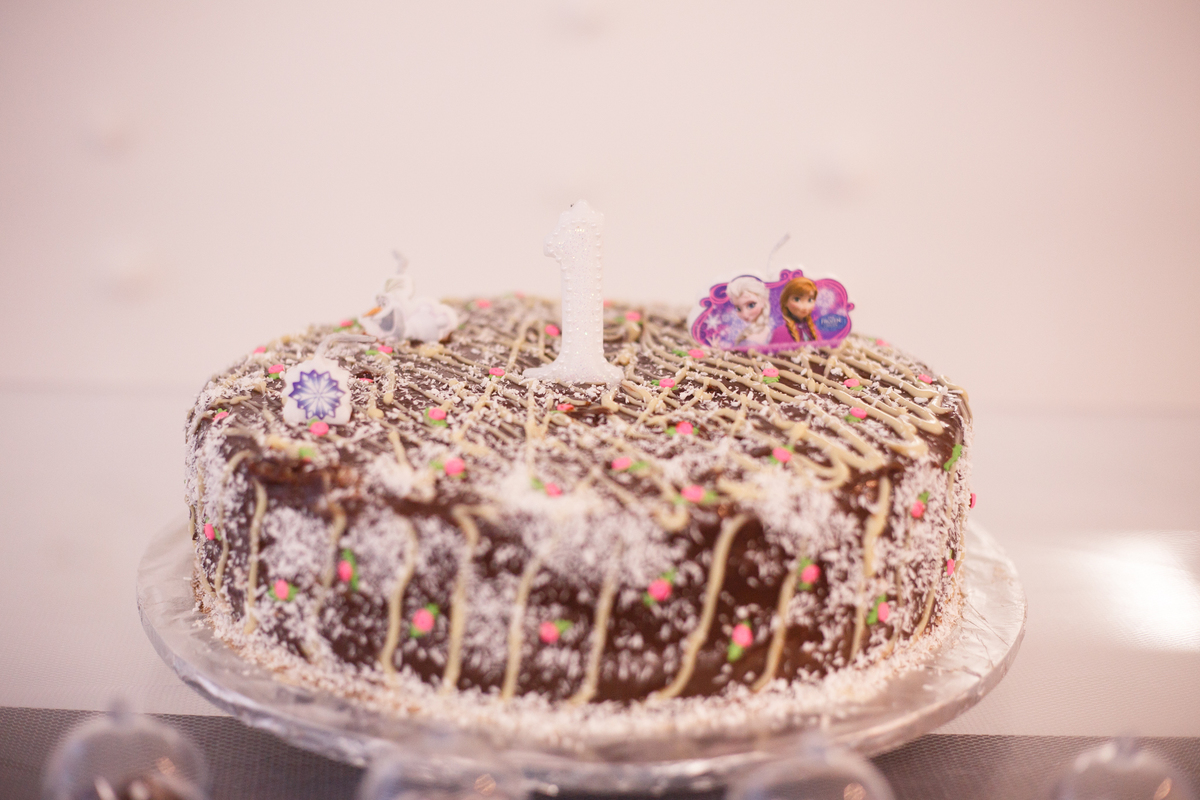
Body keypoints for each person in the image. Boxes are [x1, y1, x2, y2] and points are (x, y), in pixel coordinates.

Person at [726, 275, 773, 346]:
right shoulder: (750, 331)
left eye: (751, 305)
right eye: (738, 309)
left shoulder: (762, 333)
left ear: (763, 301)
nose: (744, 314)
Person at [771, 277, 820, 344]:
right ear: (785, 301)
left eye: (810, 300)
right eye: (797, 299)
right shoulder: (781, 331)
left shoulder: (813, 329)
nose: (805, 306)